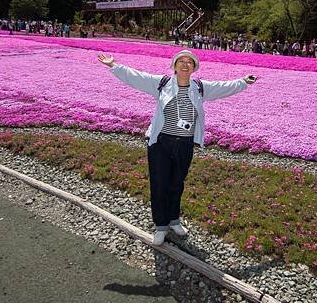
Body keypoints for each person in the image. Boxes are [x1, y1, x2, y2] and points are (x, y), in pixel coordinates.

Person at [97, 49, 257, 245]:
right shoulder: (161, 83)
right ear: (174, 66)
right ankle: (161, 226)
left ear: (194, 68)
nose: (184, 64)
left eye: (189, 62)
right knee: (159, 184)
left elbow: (223, 86)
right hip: (161, 143)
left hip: (185, 144)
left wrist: (243, 82)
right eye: (180, 61)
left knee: (176, 184)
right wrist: (114, 65)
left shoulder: (199, 87)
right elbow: (136, 77)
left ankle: (173, 220)